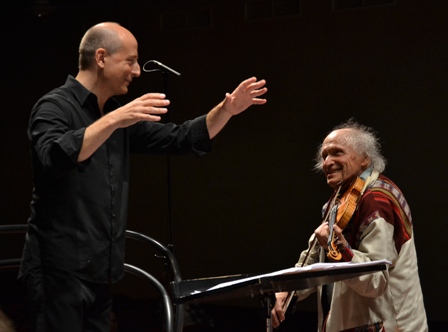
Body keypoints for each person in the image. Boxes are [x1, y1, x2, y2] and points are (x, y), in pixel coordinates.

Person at [18, 21, 267, 332]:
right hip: (57, 270)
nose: (136, 71)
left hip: (100, 272)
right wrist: (115, 120)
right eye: (131, 60)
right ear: (101, 58)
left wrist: (227, 110)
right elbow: (55, 157)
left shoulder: (114, 115)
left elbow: (181, 138)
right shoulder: (54, 106)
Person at [271, 119, 427, 331]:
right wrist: (287, 290)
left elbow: (375, 281)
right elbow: (315, 258)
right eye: (324, 155)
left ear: (365, 159)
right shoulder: (339, 198)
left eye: (337, 153)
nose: (327, 162)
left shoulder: (377, 201)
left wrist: (341, 250)